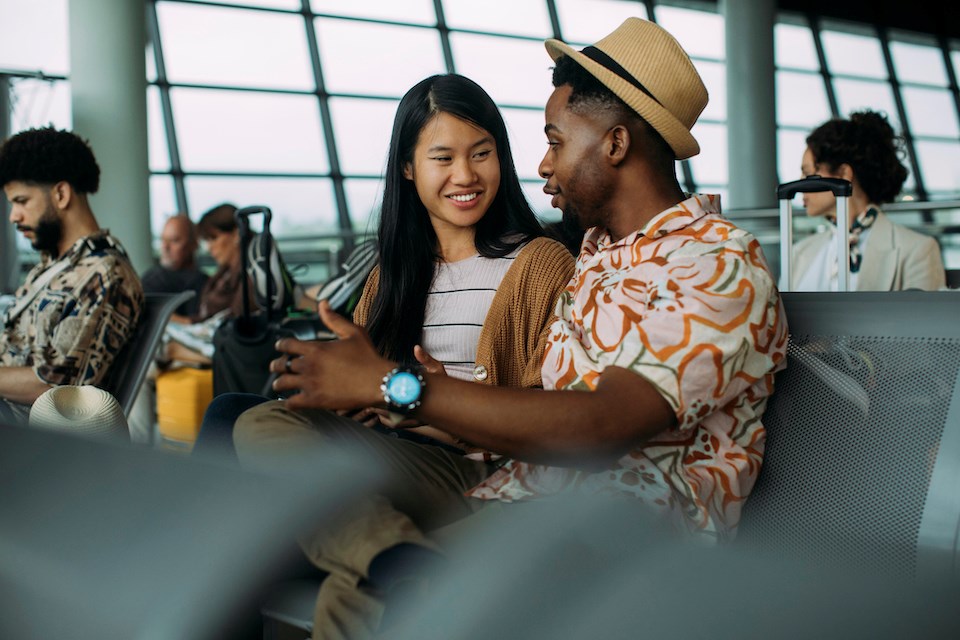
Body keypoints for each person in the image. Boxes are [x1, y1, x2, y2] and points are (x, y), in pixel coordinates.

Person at [233, 18, 788, 638]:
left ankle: (391, 565)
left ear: (615, 144)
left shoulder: (714, 264)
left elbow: (602, 427)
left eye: (555, 139)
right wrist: (432, 400)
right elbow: (540, 405)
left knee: (366, 596)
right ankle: (391, 556)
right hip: (513, 490)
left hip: (614, 524)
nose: (543, 162)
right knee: (269, 445)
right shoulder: (600, 258)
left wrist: (400, 385)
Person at [194, 73, 574, 465]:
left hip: (464, 460)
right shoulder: (389, 275)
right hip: (389, 443)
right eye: (443, 158)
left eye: (481, 154)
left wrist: (439, 402)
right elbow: (370, 389)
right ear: (408, 167)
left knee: (256, 425)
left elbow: (550, 421)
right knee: (229, 412)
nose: (465, 175)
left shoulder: (540, 264)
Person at [0, 127, 144, 424]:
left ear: (61, 194)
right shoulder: (55, 266)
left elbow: (56, 387)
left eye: (22, 201)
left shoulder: (105, 274)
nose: (13, 216)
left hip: (28, 437)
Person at [792, 109, 946, 291]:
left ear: (843, 174)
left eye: (808, 172)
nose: (801, 183)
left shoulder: (915, 250)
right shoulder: (799, 252)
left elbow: (925, 319)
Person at [141, 213, 208, 317]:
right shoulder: (152, 276)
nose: (165, 247)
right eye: (163, 240)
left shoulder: (204, 283)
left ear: (194, 244)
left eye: (174, 240)